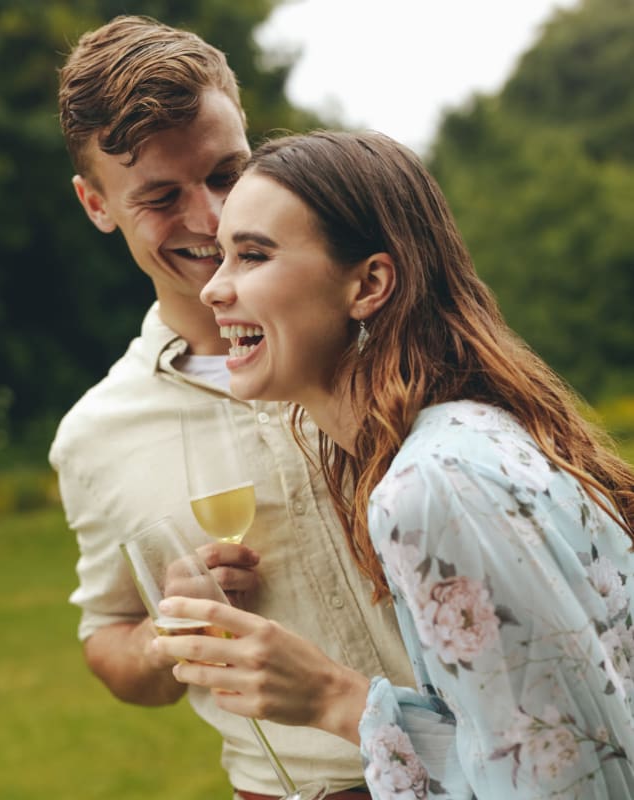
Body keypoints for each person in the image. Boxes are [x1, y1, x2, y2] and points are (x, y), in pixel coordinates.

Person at [157, 130, 634, 798]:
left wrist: (333, 697)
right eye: (222, 258)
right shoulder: (461, 439)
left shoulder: (432, 485)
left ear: (369, 283)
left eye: (253, 255)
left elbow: (560, 785)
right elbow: (537, 746)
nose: (214, 289)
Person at [49, 16, 413, 800]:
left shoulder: (387, 335)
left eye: (226, 174)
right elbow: (106, 640)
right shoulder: (94, 436)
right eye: (160, 197)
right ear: (95, 204)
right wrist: (164, 635)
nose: (211, 219)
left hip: (496, 764)